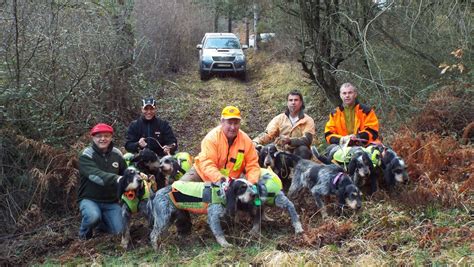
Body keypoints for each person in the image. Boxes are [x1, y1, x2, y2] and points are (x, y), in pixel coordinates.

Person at [180, 105, 260, 184]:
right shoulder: (212, 138)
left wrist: (251, 184)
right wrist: (223, 180)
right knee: (178, 189)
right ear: (222, 122)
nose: (233, 127)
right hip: (202, 175)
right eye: (229, 123)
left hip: (231, 182)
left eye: (236, 123)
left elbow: (252, 165)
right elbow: (207, 163)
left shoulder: (246, 141)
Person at [77, 123, 126, 239]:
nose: (103, 139)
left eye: (106, 136)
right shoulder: (86, 155)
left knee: (120, 231)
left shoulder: (117, 154)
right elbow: (96, 176)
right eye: (99, 136)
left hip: (111, 201)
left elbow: (126, 171)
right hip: (90, 199)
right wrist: (118, 179)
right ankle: (83, 236)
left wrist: (136, 174)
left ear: (111, 137)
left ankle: (101, 223)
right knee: (93, 217)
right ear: (93, 138)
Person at [253, 90, 315, 159]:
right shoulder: (279, 118)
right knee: (264, 150)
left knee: (303, 149)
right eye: (290, 100)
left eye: (296, 100)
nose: (293, 102)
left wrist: (290, 141)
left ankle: (301, 169)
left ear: (301, 103)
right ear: (287, 103)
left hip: (299, 153)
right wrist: (255, 142)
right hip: (281, 151)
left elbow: (307, 140)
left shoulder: (308, 120)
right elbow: (268, 133)